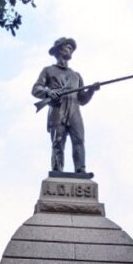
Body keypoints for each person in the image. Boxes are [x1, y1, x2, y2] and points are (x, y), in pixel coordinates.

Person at [32, 37, 99, 174]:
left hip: (74, 112)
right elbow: (36, 89)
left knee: (79, 140)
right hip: (58, 110)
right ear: (59, 50)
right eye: (67, 47)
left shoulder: (76, 76)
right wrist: (49, 92)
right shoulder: (48, 71)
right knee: (58, 142)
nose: (70, 50)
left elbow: (82, 99)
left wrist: (91, 90)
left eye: (71, 48)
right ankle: (57, 170)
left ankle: (81, 170)